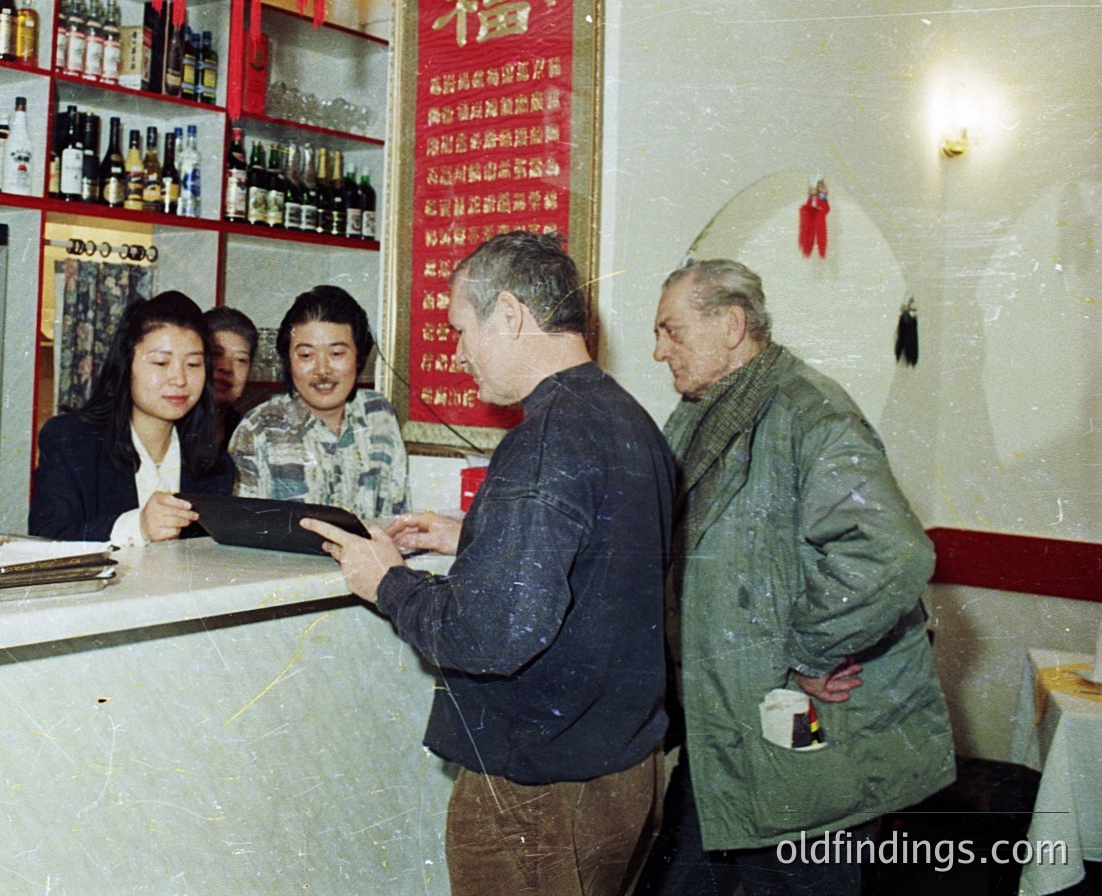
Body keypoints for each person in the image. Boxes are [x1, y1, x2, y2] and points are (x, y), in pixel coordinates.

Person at [304, 232, 674, 895]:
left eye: (460, 328)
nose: (457, 350)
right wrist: (475, 533)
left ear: (509, 314)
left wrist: (387, 583)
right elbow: (602, 554)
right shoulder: (627, 419)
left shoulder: (542, 441)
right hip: (620, 770)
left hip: (541, 787)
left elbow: (490, 632)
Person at [639, 258, 952, 896]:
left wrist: (813, 649)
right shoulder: (705, 411)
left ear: (730, 325)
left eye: (671, 331)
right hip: (724, 734)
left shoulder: (810, 413)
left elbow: (891, 551)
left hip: (800, 754)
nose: (656, 351)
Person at [29, 291, 234, 545]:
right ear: (126, 365)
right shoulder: (71, 440)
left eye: (193, 365)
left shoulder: (216, 465)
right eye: (161, 363)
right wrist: (137, 526)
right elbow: (46, 537)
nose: (180, 379)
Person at [229, 285, 408, 519]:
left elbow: (397, 513)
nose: (322, 370)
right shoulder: (258, 430)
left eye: (336, 354)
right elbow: (244, 532)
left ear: (359, 356)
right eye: (306, 355)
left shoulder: (378, 413)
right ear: (288, 360)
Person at [202, 304, 256, 442]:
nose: (226, 367)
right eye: (215, 354)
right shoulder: (168, 430)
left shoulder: (250, 433)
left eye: (240, 359)